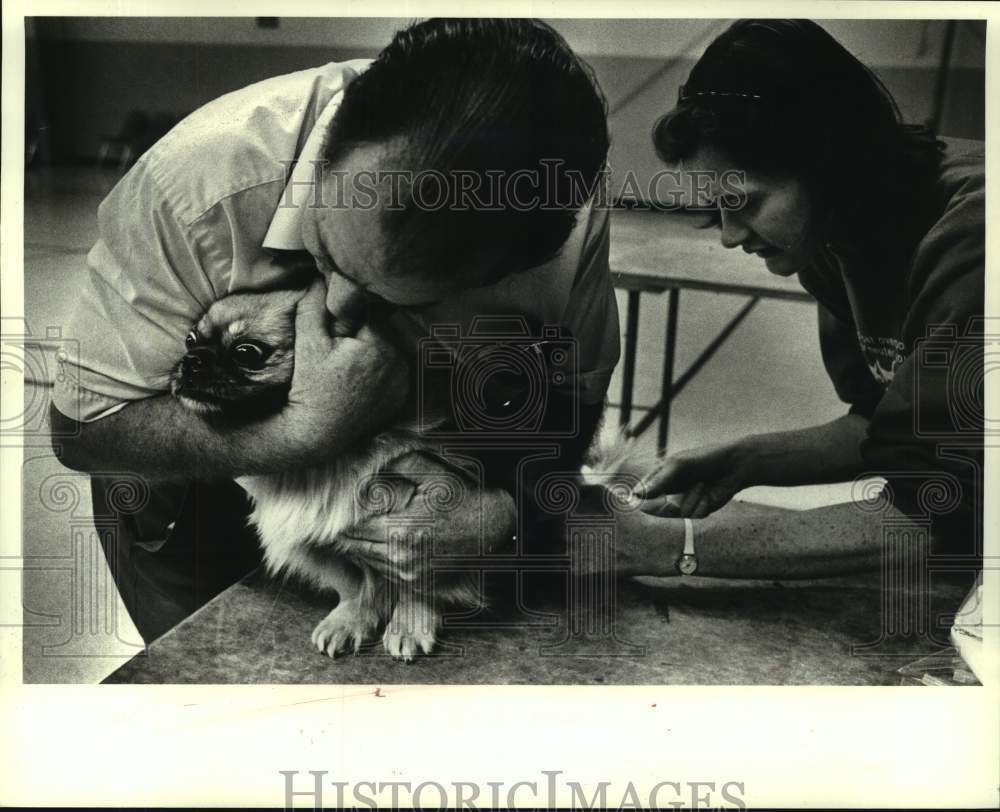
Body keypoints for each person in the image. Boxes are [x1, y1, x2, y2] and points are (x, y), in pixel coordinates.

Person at [50, 18, 620, 641]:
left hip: (427, 504)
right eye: (323, 252)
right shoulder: (197, 185)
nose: (339, 307)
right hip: (194, 499)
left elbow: (572, 405)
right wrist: (307, 429)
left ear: (508, 266)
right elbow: (82, 430)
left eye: (396, 300)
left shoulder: (564, 229)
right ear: (324, 154)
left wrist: (502, 512)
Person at [617, 19, 983, 581]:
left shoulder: (974, 239)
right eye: (716, 209)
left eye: (746, 203)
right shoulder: (836, 235)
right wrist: (745, 461)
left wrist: (666, 546)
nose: (730, 236)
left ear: (829, 163)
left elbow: (940, 512)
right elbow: (884, 427)